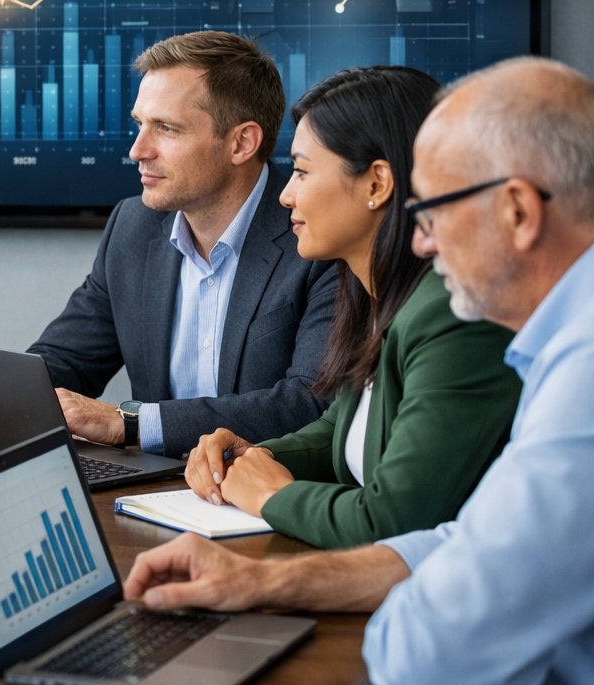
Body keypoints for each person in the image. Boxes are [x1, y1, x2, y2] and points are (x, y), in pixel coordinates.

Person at [125, 57, 594, 685]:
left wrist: (273, 506)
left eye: (434, 208)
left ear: (518, 212)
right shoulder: (548, 334)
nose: (424, 240)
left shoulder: (575, 368)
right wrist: (263, 581)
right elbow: (452, 540)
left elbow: (436, 660)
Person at [182, 67, 519, 547]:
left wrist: (273, 496)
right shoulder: (372, 294)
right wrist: (247, 458)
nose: (285, 194)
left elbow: (393, 521)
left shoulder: (453, 315)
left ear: (377, 183)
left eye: (301, 170)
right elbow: (339, 427)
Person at [29, 31, 337, 456]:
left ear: (242, 143)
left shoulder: (319, 234)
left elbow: (311, 403)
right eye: (140, 124)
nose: (138, 150)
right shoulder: (132, 226)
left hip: (262, 496)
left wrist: (129, 424)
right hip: (146, 493)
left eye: (167, 129)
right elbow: (67, 360)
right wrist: (2, 401)